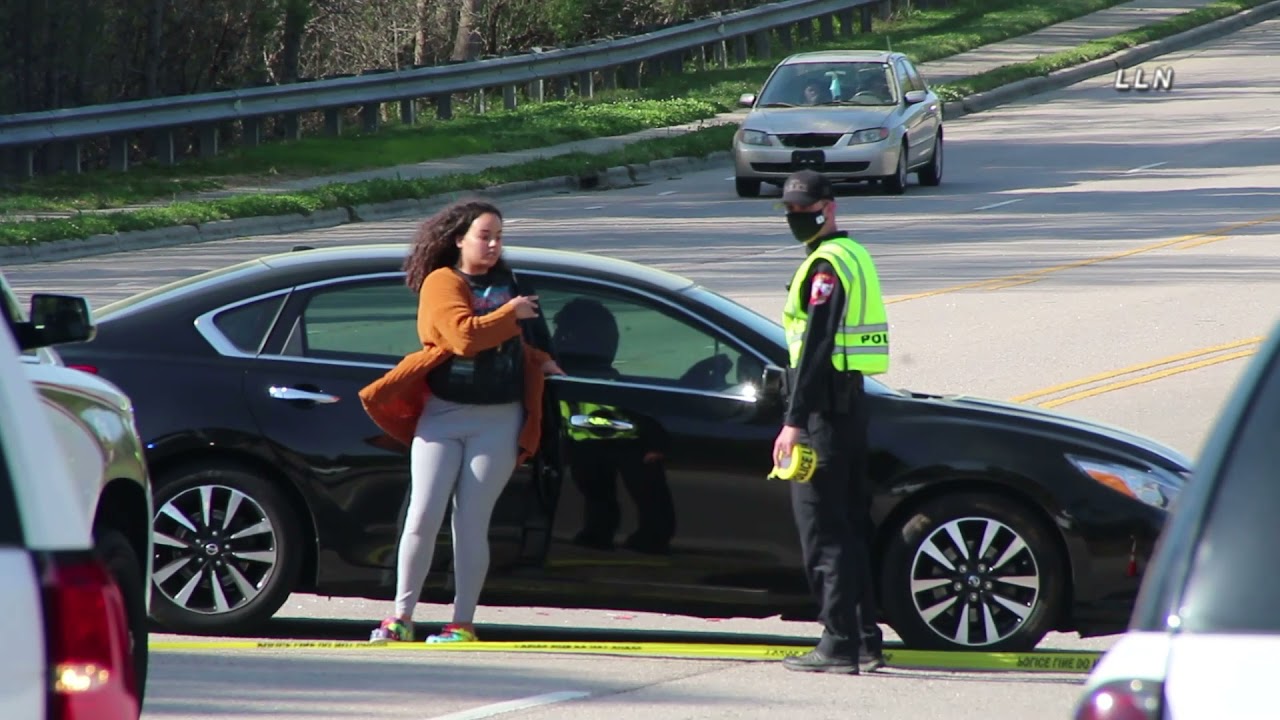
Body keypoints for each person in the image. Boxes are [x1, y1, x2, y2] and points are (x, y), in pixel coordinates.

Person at [357, 198, 564, 644]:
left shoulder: (511, 284)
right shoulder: (442, 281)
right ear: (459, 239)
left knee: (471, 522)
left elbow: (521, 342)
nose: (492, 244)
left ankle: (462, 622)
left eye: (498, 237)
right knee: (423, 515)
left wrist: (541, 360)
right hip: (443, 415)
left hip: (498, 419)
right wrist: (511, 315)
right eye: (483, 236)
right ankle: (400, 617)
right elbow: (463, 337)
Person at [771, 170, 889, 674]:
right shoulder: (853, 254)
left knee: (822, 529)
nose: (798, 217)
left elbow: (816, 348)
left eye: (805, 208)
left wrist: (793, 422)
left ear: (830, 206)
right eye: (791, 211)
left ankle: (838, 643)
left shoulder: (827, 267)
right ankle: (863, 637)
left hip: (823, 411)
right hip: (850, 405)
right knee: (848, 525)